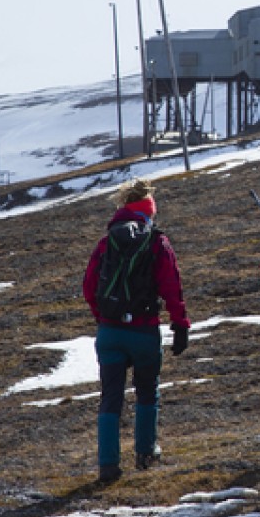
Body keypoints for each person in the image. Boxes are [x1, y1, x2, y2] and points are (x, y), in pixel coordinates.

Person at [82, 178, 191, 484]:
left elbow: (89, 286)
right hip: (144, 330)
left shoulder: (106, 243)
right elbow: (172, 286)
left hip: (110, 332)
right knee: (147, 391)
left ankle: (107, 465)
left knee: (110, 397)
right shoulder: (157, 242)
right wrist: (180, 323)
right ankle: (145, 453)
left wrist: (103, 317)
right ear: (149, 210)